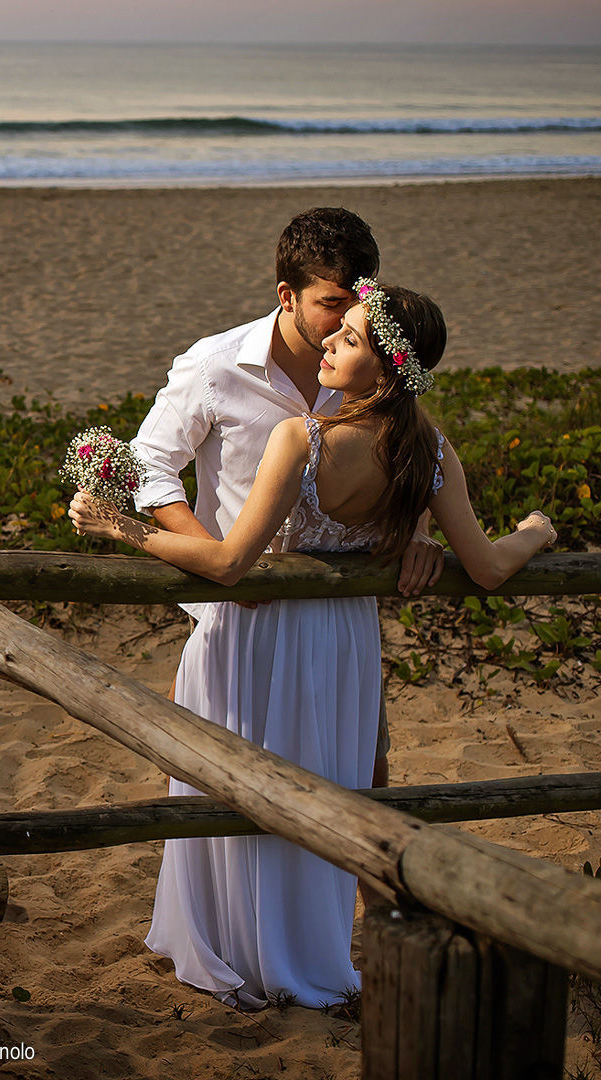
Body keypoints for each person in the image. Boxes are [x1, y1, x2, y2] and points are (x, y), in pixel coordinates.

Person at [70, 280, 556, 1009]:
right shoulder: (428, 451)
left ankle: (234, 946)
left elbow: (232, 564)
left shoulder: (302, 438)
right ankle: (306, 954)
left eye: (350, 338)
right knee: (324, 784)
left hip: (255, 635)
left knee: (237, 785)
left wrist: (122, 529)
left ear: (388, 370)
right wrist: (537, 531)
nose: (327, 341)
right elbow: (486, 567)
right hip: (342, 643)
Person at [130, 207, 440, 794]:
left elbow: (408, 452)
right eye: (331, 303)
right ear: (287, 295)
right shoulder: (215, 366)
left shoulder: (368, 370)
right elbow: (149, 464)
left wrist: (420, 530)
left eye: (357, 301)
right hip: (234, 619)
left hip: (336, 618)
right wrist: (224, 566)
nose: (346, 318)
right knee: (218, 784)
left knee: (363, 782)